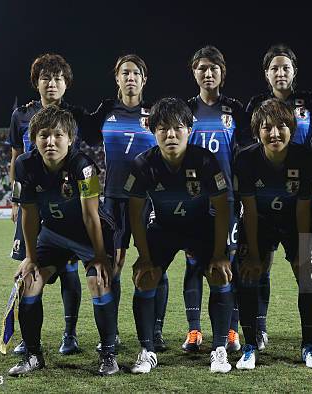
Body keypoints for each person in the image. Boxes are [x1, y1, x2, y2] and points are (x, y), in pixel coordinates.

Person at [8, 105, 118, 376]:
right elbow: (30, 215)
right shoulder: (24, 165)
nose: (51, 141)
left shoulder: (85, 167)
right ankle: (34, 355)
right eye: (44, 135)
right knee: (29, 283)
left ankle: (108, 354)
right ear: (34, 139)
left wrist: (102, 257)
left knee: (98, 281)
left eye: (58, 135)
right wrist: (30, 259)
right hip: (54, 234)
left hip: (90, 236)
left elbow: (91, 216)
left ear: (70, 138)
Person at [126, 98, 234, 374]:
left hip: (201, 227)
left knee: (219, 273)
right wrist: (144, 256)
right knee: (145, 277)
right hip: (164, 229)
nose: (170, 135)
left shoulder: (205, 161)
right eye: (163, 129)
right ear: (153, 131)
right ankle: (147, 350)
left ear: (189, 129)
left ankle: (219, 348)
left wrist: (221, 253)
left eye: (177, 128)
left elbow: (222, 208)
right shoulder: (142, 164)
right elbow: (135, 212)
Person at [234, 98, 312, 370]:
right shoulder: (245, 159)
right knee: (248, 273)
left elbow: (305, 211)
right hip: (260, 221)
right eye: (267, 127)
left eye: (282, 126)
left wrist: (304, 250)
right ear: (257, 131)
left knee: (308, 274)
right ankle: (249, 345)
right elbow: (247, 209)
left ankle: (308, 343)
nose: (274, 133)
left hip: (297, 221)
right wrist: (254, 256)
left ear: (292, 129)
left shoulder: (304, 158)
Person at [78, 54, 170, 351]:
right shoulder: (106, 111)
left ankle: (156, 331)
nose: (130, 78)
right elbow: (77, 127)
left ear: (144, 79)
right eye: (125, 73)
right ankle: (113, 332)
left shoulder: (156, 113)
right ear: (117, 79)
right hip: (114, 199)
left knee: (155, 265)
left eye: (136, 74)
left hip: (147, 201)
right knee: (113, 264)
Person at [245, 44, 312, 351]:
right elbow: (251, 140)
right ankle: (260, 327)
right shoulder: (255, 103)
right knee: (260, 262)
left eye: (286, 67)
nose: (281, 73)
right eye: (274, 68)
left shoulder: (310, 101)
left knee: (304, 263)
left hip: (300, 187)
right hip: (267, 189)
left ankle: (311, 331)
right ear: (266, 74)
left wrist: (301, 163)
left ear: (294, 71)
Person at [7, 53, 84, 356]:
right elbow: (15, 158)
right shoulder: (21, 115)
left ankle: (70, 334)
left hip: (66, 206)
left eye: (57, 78)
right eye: (45, 77)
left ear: (66, 84)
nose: (51, 83)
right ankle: (29, 337)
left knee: (68, 271)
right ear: (35, 82)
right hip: (31, 203)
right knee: (28, 270)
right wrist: (15, 200)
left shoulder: (75, 116)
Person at [182, 45, 252, 353]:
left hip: (228, 200)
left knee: (229, 265)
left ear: (222, 73)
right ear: (194, 72)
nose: (208, 73)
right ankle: (194, 331)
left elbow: (246, 154)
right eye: (202, 68)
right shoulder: (186, 110)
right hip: (195, 201)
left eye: (213, 68)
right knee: (194, 265)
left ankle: (232, 331)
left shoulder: (235, 109)